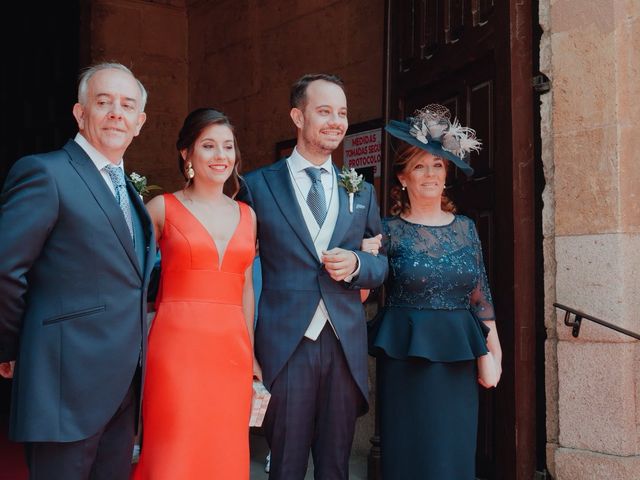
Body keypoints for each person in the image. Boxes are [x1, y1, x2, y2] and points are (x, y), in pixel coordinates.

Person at [0, 62, 154, 479]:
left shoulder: (131, 195)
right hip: (63, 382)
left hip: (123, 388)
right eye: (103, 102)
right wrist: (11, 347)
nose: (115, 113)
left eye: (126, 105)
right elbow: (6, 270)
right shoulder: (45, 173)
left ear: (139, 123)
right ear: (79, 113)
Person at [238, 74, 388, 480]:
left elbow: (382, 261)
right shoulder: (256, 185)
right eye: (324, 111)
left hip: (344, 344)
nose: (336, 121)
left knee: (335, 464)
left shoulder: (360, 190)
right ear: (297, 116)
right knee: (284, 463)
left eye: (341, 112)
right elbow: (239, 267)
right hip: (285, 345)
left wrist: (358, 265)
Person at [366, 104, 503, 479]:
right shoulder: (387, 230)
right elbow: (363, 294)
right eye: (419, 166)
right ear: (403, 177)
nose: (430, 174)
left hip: (458, 360)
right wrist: (361, 260)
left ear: (447, 175)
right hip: (405, 361)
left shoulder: (466, 228)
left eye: (438, 166)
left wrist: (494, 354)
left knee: (452, 458)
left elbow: (481, 296)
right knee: (409, 457)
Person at [131, 108, 259, 479]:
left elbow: (247, 286)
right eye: (208, 146)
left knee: (223, 448)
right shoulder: (161, 208)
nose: (221, 156)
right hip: (175, 350)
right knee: (175, 446)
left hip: (231, 352)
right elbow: (130, 278)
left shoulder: (248, 216)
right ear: (187, 153)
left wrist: (250, 353)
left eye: (228, 146)